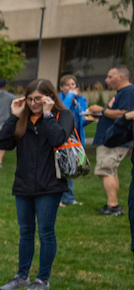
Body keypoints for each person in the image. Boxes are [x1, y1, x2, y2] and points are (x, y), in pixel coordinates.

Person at [0, 79, 74, 290]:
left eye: (38, 99)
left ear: (50, 97)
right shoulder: (23, 119)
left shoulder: (62, 116)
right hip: (24, 184)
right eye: (30, 99)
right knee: (25, 231)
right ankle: (22, 276)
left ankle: (42, 279)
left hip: (50, 185)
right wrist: (14, 115)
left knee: (46, 232)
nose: (34, 103)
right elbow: (1, 143)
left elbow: (58, 138)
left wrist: (47, 115)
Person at [88, 66, 134, 216]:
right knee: (109, 171)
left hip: (115, 140)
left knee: (106, 169)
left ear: (121, 77)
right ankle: (112, 204)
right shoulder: (122, 93)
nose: (106, 80)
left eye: (110, 77)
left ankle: (113, 205)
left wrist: (102, 110)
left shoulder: (128, 92)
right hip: (110, 139)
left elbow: (125, 114)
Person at [57, 74, 87, 207]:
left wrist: (88, 119)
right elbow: (62, 110)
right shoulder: (59, 100)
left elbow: (81, 120)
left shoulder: (81, 100)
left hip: (76, 139)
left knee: (72, 168)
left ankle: (69, 198)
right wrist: (69, 95)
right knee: (60, 168)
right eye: (68, 85)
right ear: (61, 87)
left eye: (73, 84)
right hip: (62, 138)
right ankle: (57, 198)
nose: (71, 87)